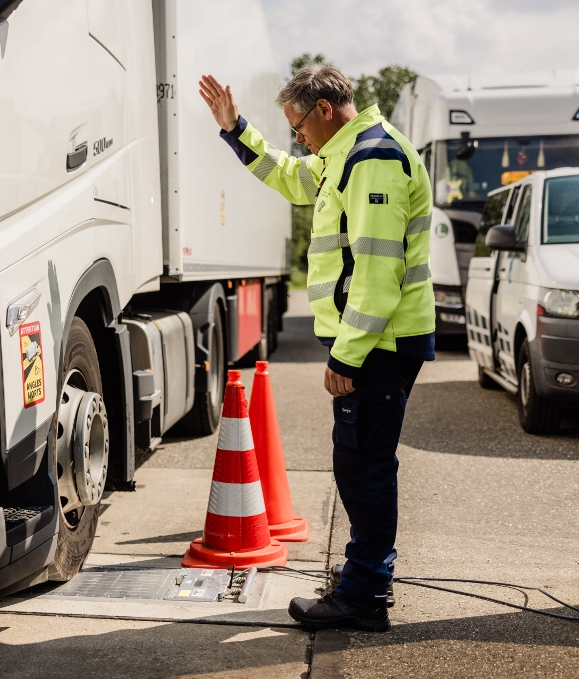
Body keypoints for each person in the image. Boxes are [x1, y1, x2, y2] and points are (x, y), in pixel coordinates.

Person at [199, 66, 435, 632]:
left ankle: (364, 594)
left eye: (299, 125)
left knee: (367, 468)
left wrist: (347, 355)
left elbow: (379, 271)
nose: (298, 138)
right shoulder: (344, 156)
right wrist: (237, 130)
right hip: (376, 342)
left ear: (325, 109)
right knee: (356, 465)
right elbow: (288, 176)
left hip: (377, 345)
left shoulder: (372, 158)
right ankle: (362, 583)